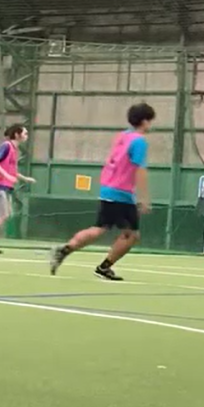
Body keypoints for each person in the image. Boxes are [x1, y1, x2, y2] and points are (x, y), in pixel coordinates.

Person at [49, 103, 155, 280]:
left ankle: (65, 250)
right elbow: (140, 170)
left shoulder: (122, 136)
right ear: (145, 121)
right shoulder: (139, 141)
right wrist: (144, 199)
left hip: (108, 189)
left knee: (99, 228)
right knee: (132, 235)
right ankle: (104, 267)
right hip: (122, 193)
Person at [0, 124, 36, 256]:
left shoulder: (13, 150)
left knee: (5, 215)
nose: (27, 136)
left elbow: (12, 170)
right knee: (3, 215)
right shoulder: (6, 146)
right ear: (17, 135)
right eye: (25, 133)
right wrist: (6, 176)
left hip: (3, 187)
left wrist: (25, 178)